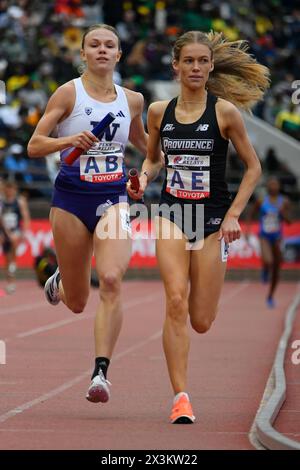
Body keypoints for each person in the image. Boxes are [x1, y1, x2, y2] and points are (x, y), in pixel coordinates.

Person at [128, 31, 269, 423]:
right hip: (172, 214)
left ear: (210, 66)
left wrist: (233, 216)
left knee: (201, 320)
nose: (195, 68)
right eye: (187, 61)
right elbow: (154, 160)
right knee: (174, 299)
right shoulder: (159, 112)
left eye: (201, 61)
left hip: (211, 222)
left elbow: (254, 168)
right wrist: (142, 177)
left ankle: (186, 371)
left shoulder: (224, 112)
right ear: (175, 65)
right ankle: (181, 397)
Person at [28, 24, 148, 404]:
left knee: (111, 278)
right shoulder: (68, 93)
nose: (101, 50)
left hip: (113, 199)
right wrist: (68, 140)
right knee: (78, 302)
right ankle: (60, 281)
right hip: (70, 200)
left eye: (109, 45)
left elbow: (147, 148)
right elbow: (34, 145)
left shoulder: (132, 101)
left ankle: (100, 373)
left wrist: (143, 177)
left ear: (118, 54)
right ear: (82, 54)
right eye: (93, 45)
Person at [248, 176, 291, 308]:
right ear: (267, 187)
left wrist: (283, 214)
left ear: (279, 187)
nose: (273, 186)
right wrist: (247, 230)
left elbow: (289, 222)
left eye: (275, 184)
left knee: (277, 269)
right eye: (271, 184)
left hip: (277, 238)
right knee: (268, 261)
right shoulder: (261, 201)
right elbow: (251, 214)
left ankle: (270, 296)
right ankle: (265, 270)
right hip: (264, 236)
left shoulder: (284, 201)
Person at [0, 180, 31, 293]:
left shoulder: (19, 202)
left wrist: (24, 232)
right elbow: (1, 219)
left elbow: (25, 217)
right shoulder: (2, 202)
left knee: (13, 244)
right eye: (7, 189)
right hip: (4, 231)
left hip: (16, 230)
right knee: (6, 257)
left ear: (15, 190)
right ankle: (10, 279)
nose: (9, 191)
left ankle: (12, 278)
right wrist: (5, 233)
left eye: (12, 189)